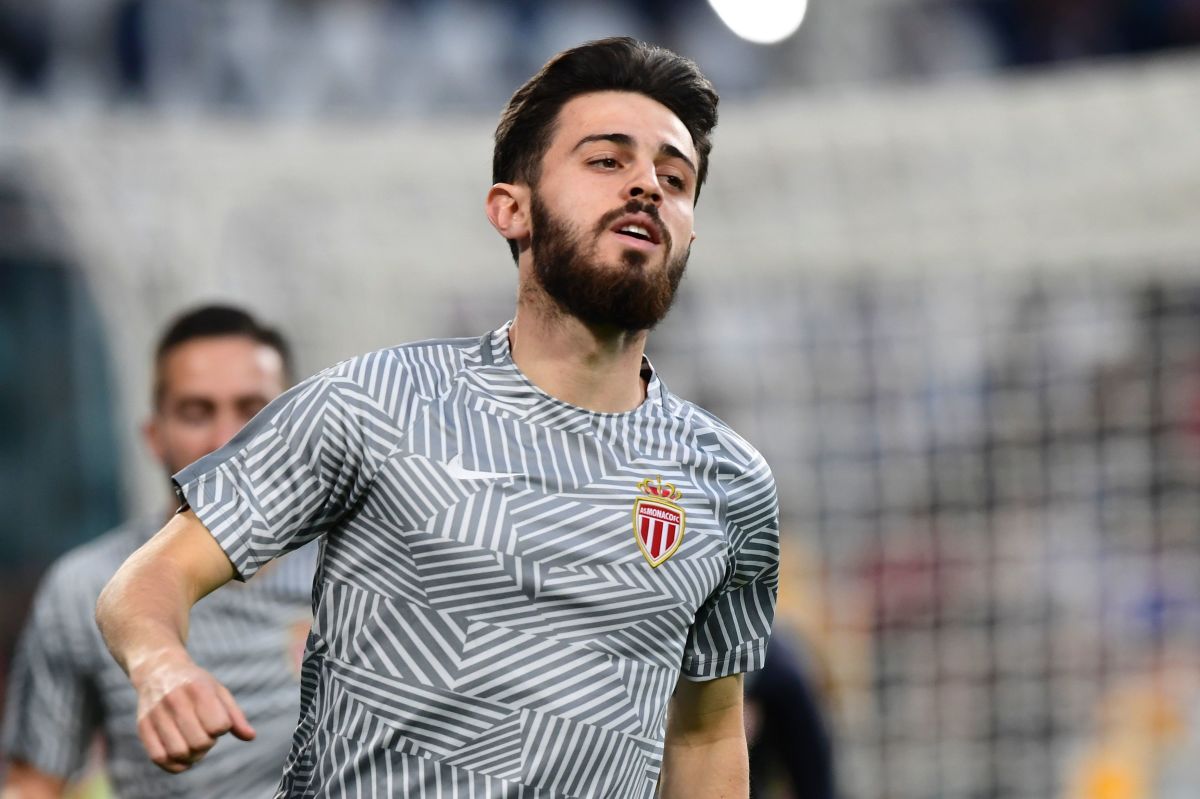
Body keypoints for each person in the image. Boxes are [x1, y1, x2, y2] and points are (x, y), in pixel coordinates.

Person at [95, 37, 781, 798]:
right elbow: (146, 579)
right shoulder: (376, 402)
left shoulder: (730, 482)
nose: (648, 187)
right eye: (607, 161)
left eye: (675, 177)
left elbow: (706, 733)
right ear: (511, 209)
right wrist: (163, 667)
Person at [2, 305, 315, 798]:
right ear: (154, 436)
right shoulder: (85, 584)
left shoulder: (356, 565)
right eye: (196, 412)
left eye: (254, 411)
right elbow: (34, 783)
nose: (224, 439)